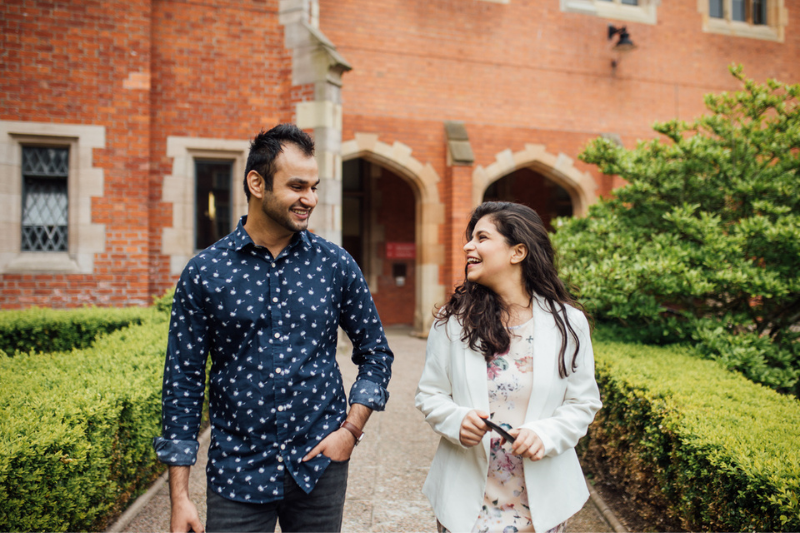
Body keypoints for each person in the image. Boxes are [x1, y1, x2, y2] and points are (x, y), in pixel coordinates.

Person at [153, 123, 394, 533]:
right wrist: (180, 498)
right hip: (237, 471)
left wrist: (351, 431)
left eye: (314, 187)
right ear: (256, 183)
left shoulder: (335, 265)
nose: (310, 199)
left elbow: (376, 353)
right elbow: (183, 384)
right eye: (298, 186)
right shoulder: (205, 272)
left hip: (320, 468)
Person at [415, 201, 602, 533]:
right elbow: (430, 394)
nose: (467, 246)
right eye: (470, 238)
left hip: (539, 502)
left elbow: (583, 402)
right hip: (465, 500)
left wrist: (545, 434)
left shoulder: (569, 324)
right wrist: (457, 420)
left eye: (482, 238)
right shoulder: (452, 323)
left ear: (518, 252)